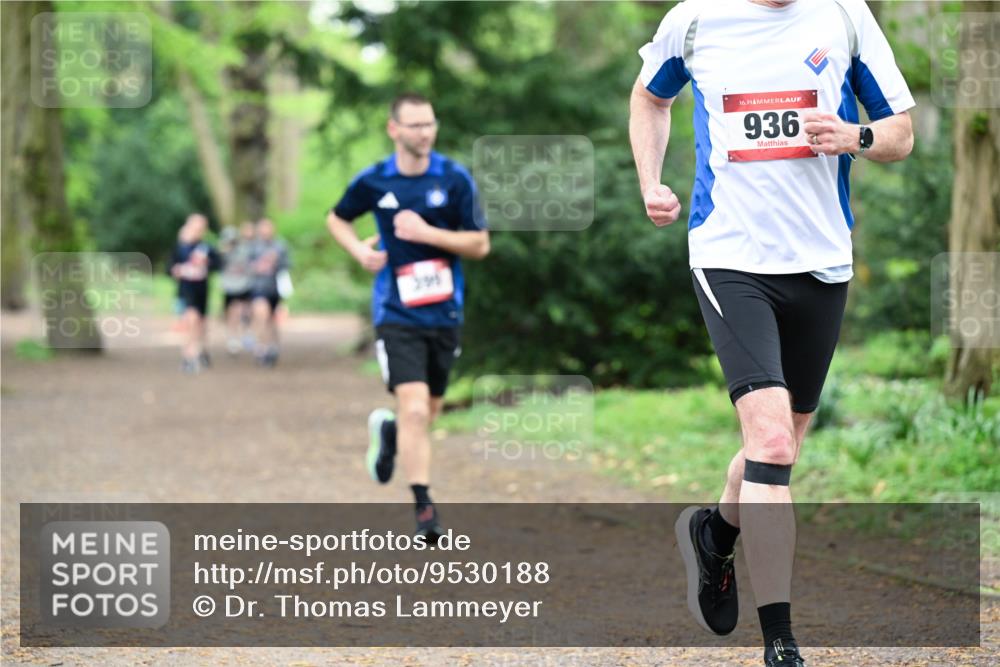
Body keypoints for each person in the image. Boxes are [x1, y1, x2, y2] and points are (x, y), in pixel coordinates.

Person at [629, 1, 914, 665]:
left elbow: (900, 131)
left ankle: (713, 534)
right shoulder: (694, 20)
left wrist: (856, 137)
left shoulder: (844, 16)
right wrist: (651, 182)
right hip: (730, 255)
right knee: (771, 438)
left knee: (780, 452)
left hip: (820, 262)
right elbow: (649, 97)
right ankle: (780, 639)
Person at [326, 92, 490, 541]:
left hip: (444, 311)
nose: (425, 132)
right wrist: (359, 249)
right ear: (393, 129)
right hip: (395, 312)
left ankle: (390, 432)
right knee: (416, 409)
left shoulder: (454, 179)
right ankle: (424, 510)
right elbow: (337, 218)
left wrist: (426, 233)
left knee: (428, 410)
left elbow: (479, 244)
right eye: (415, 125)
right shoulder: (375, 181)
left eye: (430, 124)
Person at [168, 213, 221, 373]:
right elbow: (170, 267)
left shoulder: (207, 248)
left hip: (202, 290)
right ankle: (189, 355)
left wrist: (207, 263)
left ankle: (201, 350)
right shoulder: (180, 248)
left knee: (201, 323)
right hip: (185, 290)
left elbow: (218, 264)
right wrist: (176, 270)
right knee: (191, 319)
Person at [249, 218, 292, 367]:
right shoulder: (253, 246)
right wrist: (257, 266)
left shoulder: (280, 246)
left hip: (274, 288)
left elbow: (287, 265)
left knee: (272, 319)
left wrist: (276, 262)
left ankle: (273, 346)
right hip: (258, 287)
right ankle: (262, 347)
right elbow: (243, 265)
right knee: (262, 315)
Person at [220, 222, 257, 355]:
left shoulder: (245, 249)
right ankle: (233, 338)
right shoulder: (222, 253)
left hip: (244, 285)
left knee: (246, 311)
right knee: (232, 312)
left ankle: (246, 335)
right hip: (230, 287)